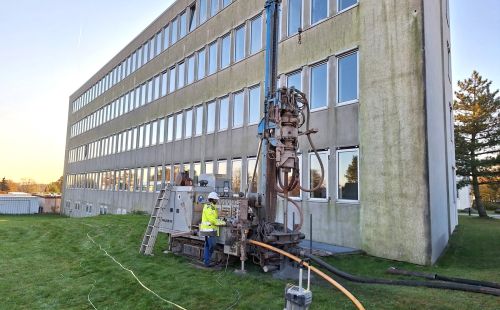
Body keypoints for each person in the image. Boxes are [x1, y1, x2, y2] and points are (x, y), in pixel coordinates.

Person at [200, 192, 225, 267]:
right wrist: (223, 222)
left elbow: (215, 218)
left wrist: (221, 219)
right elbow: (213, 220)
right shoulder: (208, 207)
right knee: (212, 246)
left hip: (211, 230)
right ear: (212, 199)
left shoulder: (213, 207)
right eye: (216, 199)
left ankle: (206, 262)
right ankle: (206, 261)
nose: (217, 201)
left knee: (208, 246)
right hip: (209, 230)